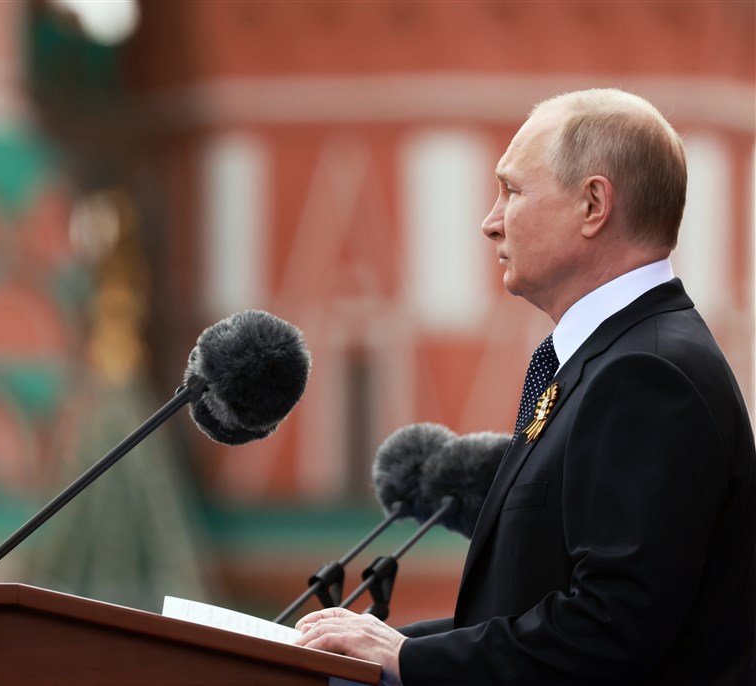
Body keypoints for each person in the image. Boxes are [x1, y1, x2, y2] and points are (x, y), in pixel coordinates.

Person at [294, 88, 756, 685]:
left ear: (593, 205)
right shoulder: (614, 357)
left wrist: (406, 659)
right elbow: (525, 611)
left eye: (512, 190)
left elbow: (607, 631)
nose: (490, 222)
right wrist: (378, 644)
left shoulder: (646, 375)